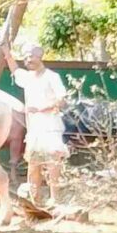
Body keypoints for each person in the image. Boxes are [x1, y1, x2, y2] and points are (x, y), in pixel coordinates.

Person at [11, 36, 70, 213]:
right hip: (34, 129)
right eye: (25, 57)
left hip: (50, 126)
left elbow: (62, 99)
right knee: (33, 163)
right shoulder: (28, 77)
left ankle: (55, 199)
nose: (28, 60)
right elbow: (15, 70)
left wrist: (42, 108)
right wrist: (6, 51)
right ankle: (34, 199)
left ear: (39, 56)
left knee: (53, 162)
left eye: (31, 56)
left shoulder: (52, 77)